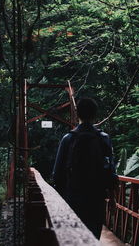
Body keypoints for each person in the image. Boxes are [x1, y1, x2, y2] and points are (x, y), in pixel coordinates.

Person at [52, 97, 118, 239]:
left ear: (77, 114)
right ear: (95, 115)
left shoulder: (68, 139)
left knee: (75, 239)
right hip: (96, 200)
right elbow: (111, 172)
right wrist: (112, 199)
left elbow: (57, 175)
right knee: (93, 238)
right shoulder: (103, 138)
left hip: (73, 199)